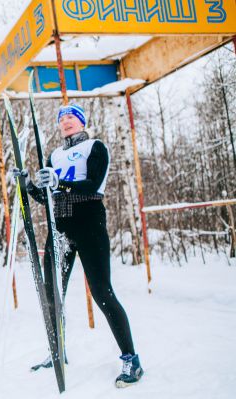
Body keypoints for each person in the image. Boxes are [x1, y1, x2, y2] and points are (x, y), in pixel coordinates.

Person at [23, 103, 143, 387]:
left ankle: (131, 358)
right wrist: (30, 184)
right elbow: (47, 197)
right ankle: (57, 351)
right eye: (61, 119)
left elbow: (92, 184)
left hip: (89, 223)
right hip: (60, 227)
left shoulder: (95, 147)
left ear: (81, 121)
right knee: (52, 293)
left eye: (71, 118)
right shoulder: (54, 155)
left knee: (102, 293)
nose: (66, 122)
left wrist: (60, 182)